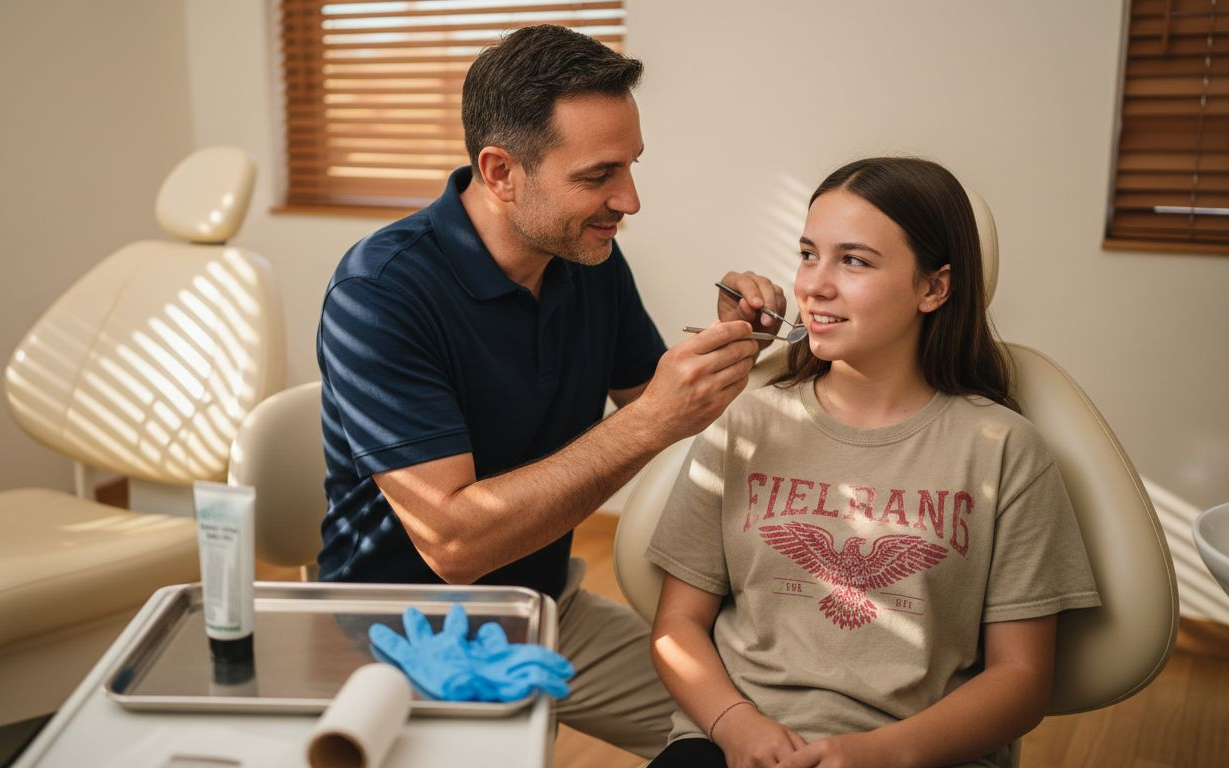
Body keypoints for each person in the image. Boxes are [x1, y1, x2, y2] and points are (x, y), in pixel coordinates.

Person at [317, 24, 786, 757]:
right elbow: (455, 543)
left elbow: (652, 401)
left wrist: (728, 349)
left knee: (749, 729)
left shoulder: (588, 258)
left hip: (545, 607)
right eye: (599, 176)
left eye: (631, 166)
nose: (628, 199)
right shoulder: (380, 295)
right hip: (400, 634)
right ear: (501, 172)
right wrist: (653, 420)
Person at [644, 157, 1101, 768]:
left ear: (933, 288)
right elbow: (677, 626)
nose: (813, 285)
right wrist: (737, 727)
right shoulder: (746, 424)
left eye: (853, 261)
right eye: (809, 254)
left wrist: (881, 753)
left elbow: (1021, 681)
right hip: (731, 744)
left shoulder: (1003, 451)